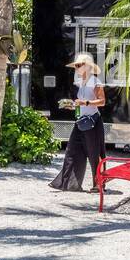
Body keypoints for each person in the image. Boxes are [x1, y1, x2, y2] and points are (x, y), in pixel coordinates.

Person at [49, 52, 106, 192]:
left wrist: (84, 102)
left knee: (94, 153)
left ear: (87, 66)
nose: (76, 68)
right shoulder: (82, 83)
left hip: (93, 122)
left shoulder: (95, 82)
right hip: (81, 121)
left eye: (78, 65)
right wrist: (73, 106)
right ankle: (68, 183)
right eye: (75, 66)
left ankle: (98, 184)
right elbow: (82, 104)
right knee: (72, 150)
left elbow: (102, 102)